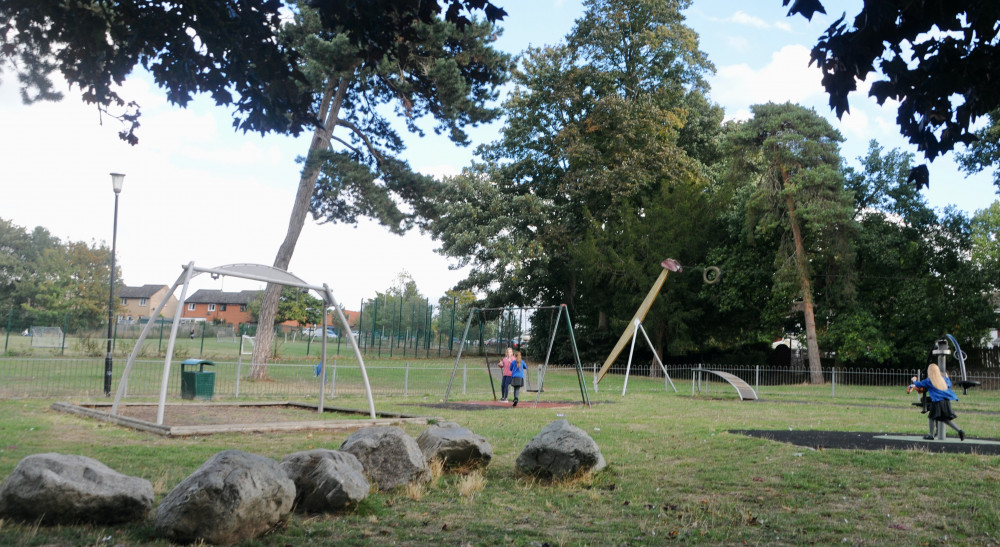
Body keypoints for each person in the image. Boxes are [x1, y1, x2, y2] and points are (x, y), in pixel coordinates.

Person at [908, 363, 965, 441]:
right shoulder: (943, 379)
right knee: (945, 419)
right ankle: (960, 431)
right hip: (946, 402)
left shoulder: (929, 380)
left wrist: (914, 380)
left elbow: (919, 384)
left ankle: (931, 435)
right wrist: (947, 377)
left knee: (931, 417)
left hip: (937, 402)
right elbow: (949, 384)